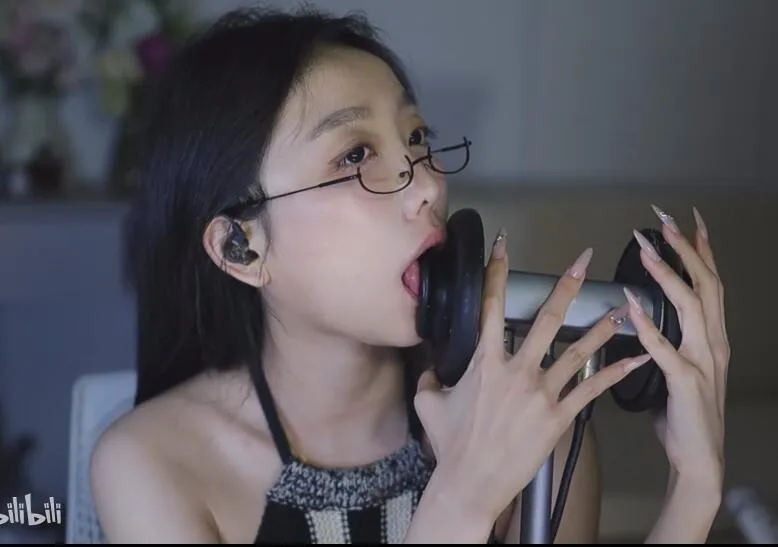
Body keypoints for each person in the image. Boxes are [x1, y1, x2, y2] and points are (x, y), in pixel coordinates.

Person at [90, 5, 729, 544]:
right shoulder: (151, 463)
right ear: (241, 247)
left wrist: (695, 490)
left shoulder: (528, 423)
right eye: (356, 154)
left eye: (417, 138)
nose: (425, 184)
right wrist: (461, 504)